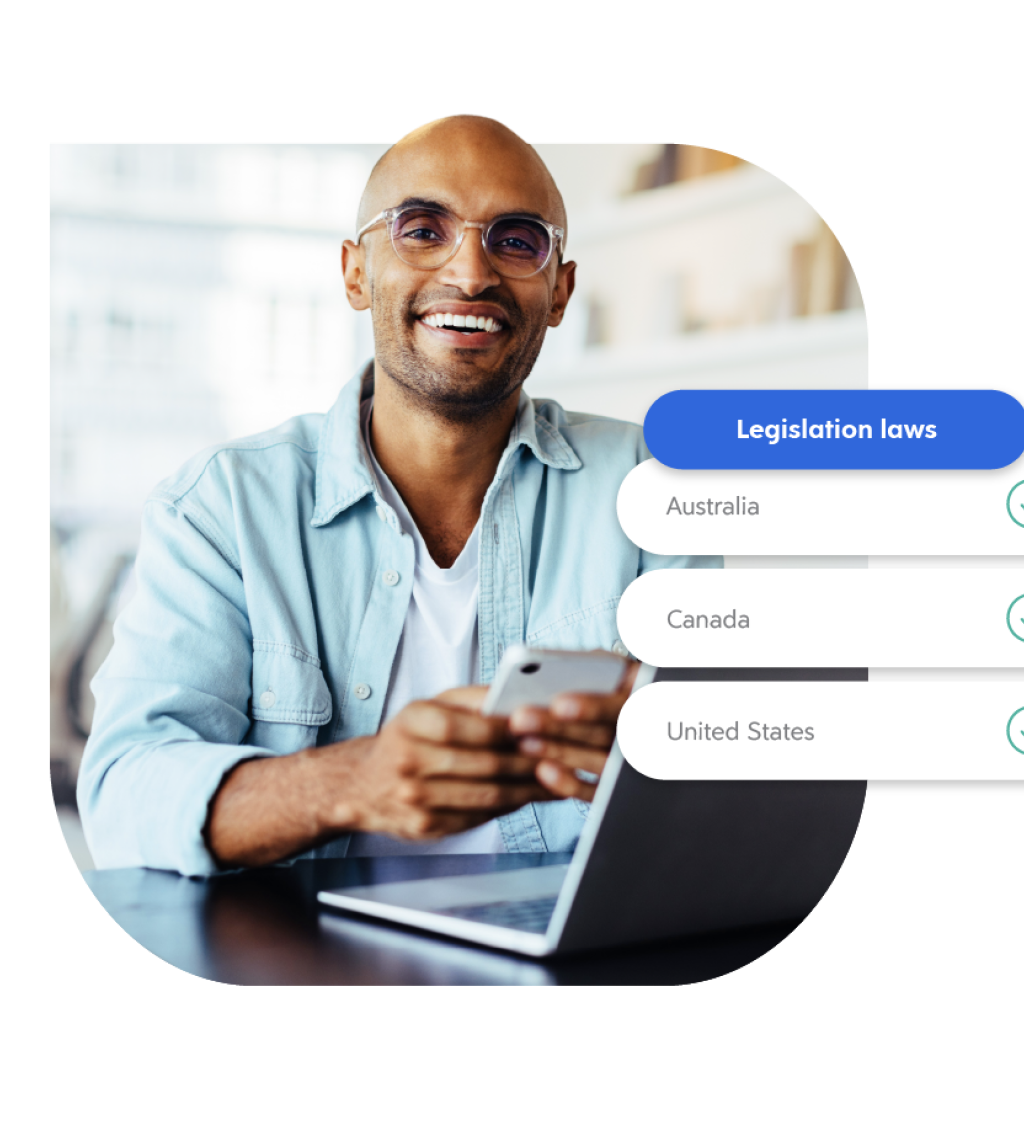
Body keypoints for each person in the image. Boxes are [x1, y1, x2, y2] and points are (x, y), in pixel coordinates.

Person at [78, 119, 721, 876]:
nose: (471, 273)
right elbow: (124, 794)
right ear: (355, 273)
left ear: (559, 291)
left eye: (517, 241)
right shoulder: (220, 508)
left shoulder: (650, 483)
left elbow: (720, 763)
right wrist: (348, 783)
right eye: (423, 229)